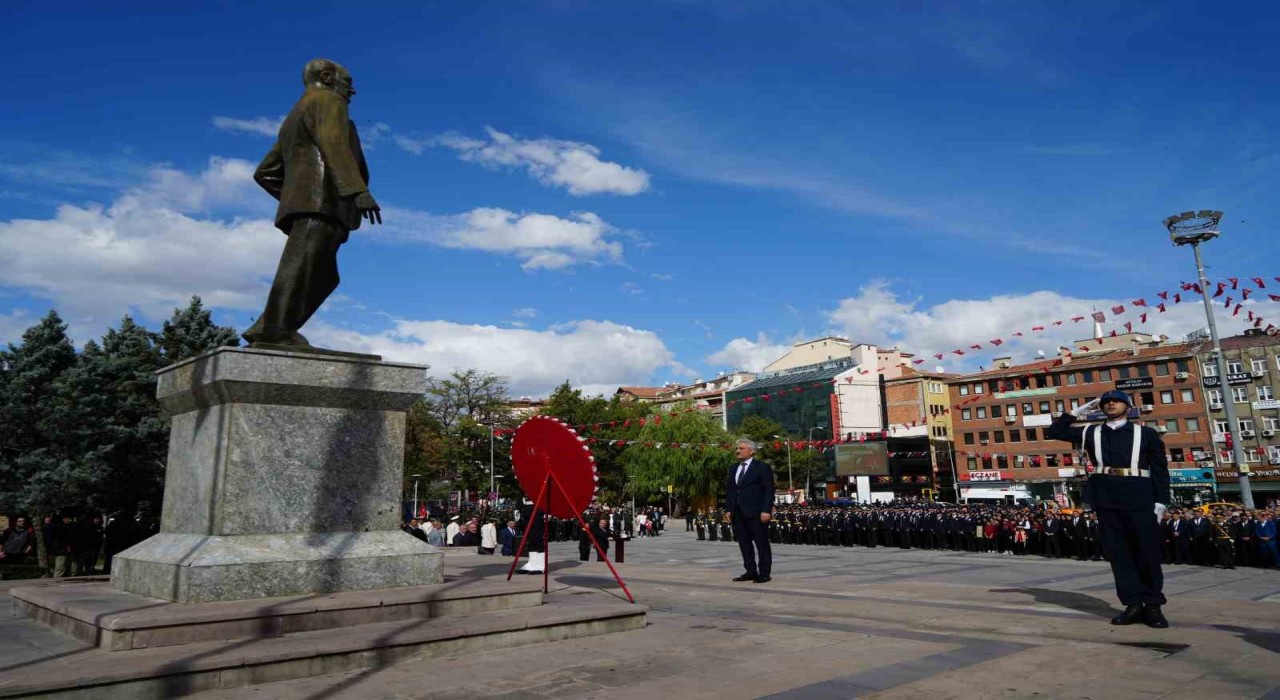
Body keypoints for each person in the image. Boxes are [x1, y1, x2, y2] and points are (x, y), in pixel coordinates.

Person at [243, 58, 382, 348]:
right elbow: (334, 144)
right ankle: (273, 331)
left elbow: (265, 173)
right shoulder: (327, 100)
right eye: (349, 82)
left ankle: (270, 326)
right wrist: (356, 191)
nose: (352, 91)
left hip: (312, 205)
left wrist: (295, 196)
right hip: (322, 206)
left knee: (320, 273)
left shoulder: (295, 114)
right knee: (307, 268)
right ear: (328, 77)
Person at [1047, 390, 1170, 628]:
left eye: (1116, 401)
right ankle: (1132, 603)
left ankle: (1153, 605)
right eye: (1106, 402)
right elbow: (1054, 431)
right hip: (1106, 496)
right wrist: (1077, 411)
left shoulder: (1146, 433)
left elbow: (1160, 469)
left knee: (1147, 552)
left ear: (1127, 406)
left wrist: (1161, 500)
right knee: (1119, 554)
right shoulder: (1090, 432)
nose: (1110, 404)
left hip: (1139, 495)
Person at [725, 438, 775, 584]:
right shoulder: (733, 468)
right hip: (738, 512)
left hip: (756, 512)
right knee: (744, 543)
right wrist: (729, 509)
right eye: (737, 448)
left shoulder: (762, 467)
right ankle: (750, 571)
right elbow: (731, 490)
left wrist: (766, 510)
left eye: (741, 448)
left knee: (761, 543)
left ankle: (764, 573)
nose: (737, 451)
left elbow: (769, 490)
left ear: (751, 451)